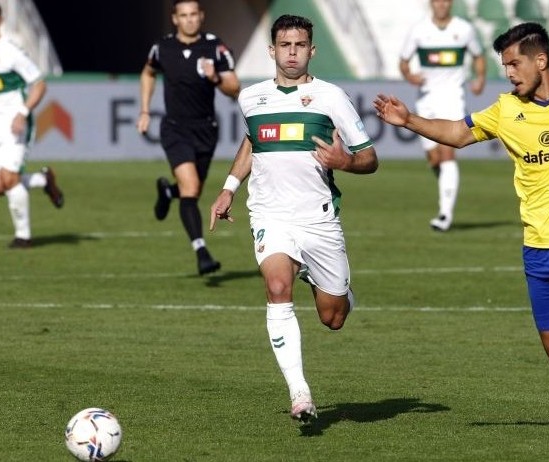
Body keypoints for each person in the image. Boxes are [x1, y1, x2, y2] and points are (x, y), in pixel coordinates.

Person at [376, 22, 549, 461]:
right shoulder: (506, 110)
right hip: (538, 250)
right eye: (504, 65)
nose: (509, 73)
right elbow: (458, 133)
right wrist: (409, 120)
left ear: (541, 60)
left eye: (514, 63)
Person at [210, 14, 378, 425]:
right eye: (284, 45)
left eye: (299, 45)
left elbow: (370, 158)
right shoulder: (252, 98)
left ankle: (320, 279)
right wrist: (230, 186)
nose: (291, 52)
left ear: (311, 50)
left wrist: (344, 161)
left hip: (318, 219)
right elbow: (253, 141)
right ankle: (299, 392)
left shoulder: (331, 97)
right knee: (276, 285)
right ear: (272, 50)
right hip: (270, 213)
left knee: (332, 317)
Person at [137, 0, 240, 276]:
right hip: (175, 129)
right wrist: (145, 109)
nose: (190, 20)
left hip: (206, 130)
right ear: (175, 19)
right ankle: (201, 252)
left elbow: (234, 87)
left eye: (194, 14)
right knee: (192, 188)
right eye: (184, 15)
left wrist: (215, 77)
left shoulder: (214, 47)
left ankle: (168, 192)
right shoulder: (162, 48)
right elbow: (148, 72)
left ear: (201, 16)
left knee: (189, 192)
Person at [0, 1, 64, 249]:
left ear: (0, 21)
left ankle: (23, 236)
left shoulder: (11, 51)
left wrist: (22, 112)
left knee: (10, 178)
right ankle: (43, 180)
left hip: (15, 124)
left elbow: (39, 84)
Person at [399, 0, 485, 231]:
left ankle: (445, 214)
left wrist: (480, 79)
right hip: (426, 100)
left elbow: (479, 56)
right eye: (438, 1)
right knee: (434, 159)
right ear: (431, 4)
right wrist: (410, 77)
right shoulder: (419, 30)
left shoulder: (464, 29)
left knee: (448, 154)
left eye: (446, 1)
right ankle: (445, 193)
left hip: (453, 99)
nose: (442, 5)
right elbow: (404, 62)